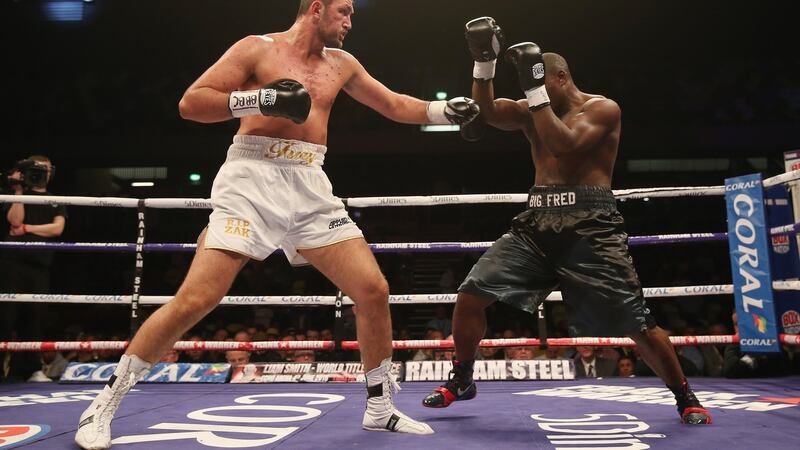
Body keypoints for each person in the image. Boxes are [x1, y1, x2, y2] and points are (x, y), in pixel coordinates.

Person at [75, 1, 481, 447]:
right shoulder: (257, 49)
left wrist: (444, 112)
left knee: (372, 290)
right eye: (343, 13)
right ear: (316, 9)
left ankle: (380, 409)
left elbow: (395, 104)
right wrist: (260, 98)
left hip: (309, 183)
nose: (349, 23)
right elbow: (191, 104)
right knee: (197, 298)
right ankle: (104, 404)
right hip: (252, 180)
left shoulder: (343, 64)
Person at [421, 17, 712, 426]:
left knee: (637, 322)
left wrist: (534, 89)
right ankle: (463, 378)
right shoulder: (532, 108)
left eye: (538, 82)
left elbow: (565, 145)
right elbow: (487, 112)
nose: (529, 92)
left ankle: (685, 396)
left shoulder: (603, 108)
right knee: (471, 293)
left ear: (559, 77)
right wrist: (483, 64)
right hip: (537, 222)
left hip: (591, 224)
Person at [1, 154, 67, 382]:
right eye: (38, 169)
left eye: (46, 169)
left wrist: (28, 228)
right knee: (5, 317)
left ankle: (30, 369)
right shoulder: (16, 195)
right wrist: (18, 191)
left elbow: (57, 229)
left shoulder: (55, 199)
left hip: (39, 266)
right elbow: (14, 221)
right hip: (12, 265)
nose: (43, 173)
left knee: (35, 318)